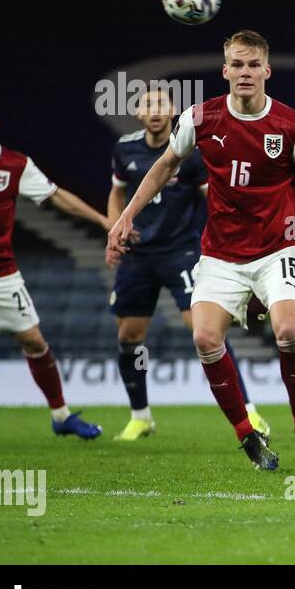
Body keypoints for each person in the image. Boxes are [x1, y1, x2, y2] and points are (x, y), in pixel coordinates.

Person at [107, 30, 295, 470]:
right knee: (205, 338)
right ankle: (248, 437)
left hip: (276, 248)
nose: (245, 73)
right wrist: (126, 215)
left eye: (253, 65)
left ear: (267, 70)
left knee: (288, 333)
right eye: (237, 64)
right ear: (224, 69)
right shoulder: (200, 119)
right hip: (220, 253)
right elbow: (164, 165)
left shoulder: (293, 126)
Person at [0, 96, 110, 438]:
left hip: (0, 275)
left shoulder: (15, 165)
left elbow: (57, 196)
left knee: (34, 342)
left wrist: (104, 220)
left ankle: (61, 416)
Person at [106, 88, 264, 440]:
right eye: (149, 105)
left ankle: (249, 413)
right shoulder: (125, 149)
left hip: (182, 252)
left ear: (174, 110)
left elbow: (214, 199)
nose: (156, 111)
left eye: (162, 104)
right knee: (131, 336)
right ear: (138, 112)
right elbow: (117, 192)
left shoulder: (190, 152)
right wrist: (115, 228)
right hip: (138, 256)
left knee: (207, 331)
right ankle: (140, 416)